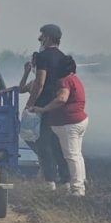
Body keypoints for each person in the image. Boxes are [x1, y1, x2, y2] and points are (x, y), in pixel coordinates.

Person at [20, 25, 74, 188]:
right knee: (59, 143)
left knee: (43, 143)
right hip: (59, 104)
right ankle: (66, 180)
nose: (40, 40)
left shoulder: (43, 57)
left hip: (43, 105)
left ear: (48, 38)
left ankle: (50, 180)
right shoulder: (64, 58)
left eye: (41, 36)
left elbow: (40, 83)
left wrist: (30, 105)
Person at [31, 68, 88, 197]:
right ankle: (81, 182)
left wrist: (44, 109)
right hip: (79, 120)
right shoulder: (74, 79)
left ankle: (78, 190)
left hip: (69, 123)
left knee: (71, 156)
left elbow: (62, 98)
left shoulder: (64, 81)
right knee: (77, 155)